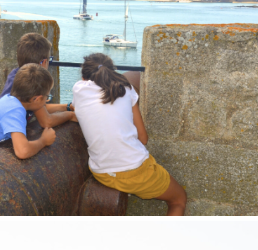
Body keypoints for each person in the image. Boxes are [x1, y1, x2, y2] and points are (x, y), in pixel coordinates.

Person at [72, 53, 187, 215]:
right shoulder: (126, 89)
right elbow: (143, 139)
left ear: (84, 78)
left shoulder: (78, 89)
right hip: (135, 171)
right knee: (179, 199)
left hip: (102, 172)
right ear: (111, 72)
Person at [0, 32, 75, 129]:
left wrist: (68, 107)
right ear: (43, 63)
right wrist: (71, 115)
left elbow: (39, 107)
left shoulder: (16, 74)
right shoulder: (31, 83)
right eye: (49, 60)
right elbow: (46, 121)